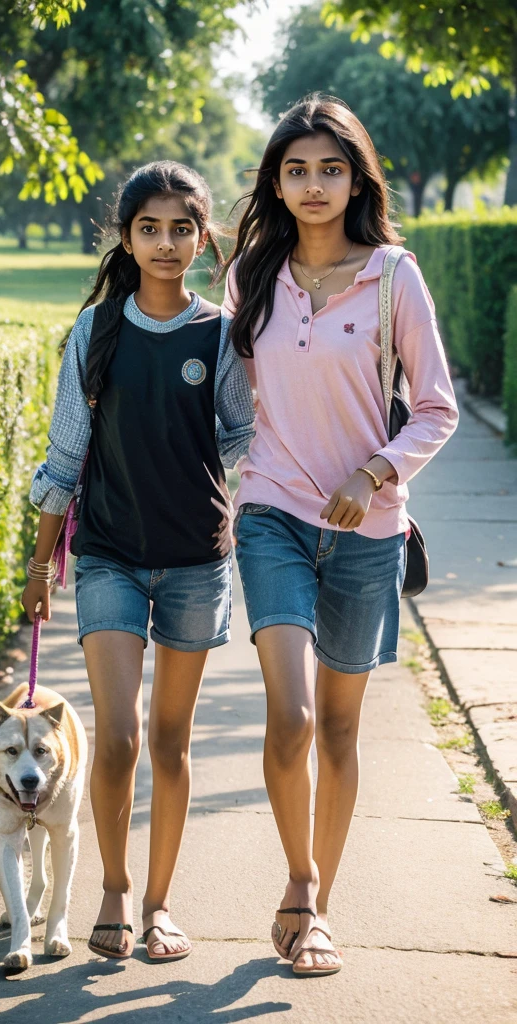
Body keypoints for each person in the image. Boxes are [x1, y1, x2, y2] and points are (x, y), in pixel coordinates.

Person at [222, 93, 458, 976]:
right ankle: (300, 887)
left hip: (368, 529)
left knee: (339, 732)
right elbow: (228, 403)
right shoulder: (251, 278)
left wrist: (375, 473)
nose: (314, 184)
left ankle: (320, 905)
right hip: (275, 513)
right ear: (275, 183)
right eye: (296, 169)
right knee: (290, 715)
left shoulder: (394, 274)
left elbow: (436, 407)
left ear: (356, 178)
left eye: (331, 168)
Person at [23, 161, 254, 962]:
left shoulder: (220, 331)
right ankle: (115, 889)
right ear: (127, 236)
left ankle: (159, 906)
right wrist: (37, 564)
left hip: (196, 559)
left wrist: (244, 478)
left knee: (170, 740)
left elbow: (240, 433)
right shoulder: (97, 331)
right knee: (116, 737)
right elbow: (65, 454)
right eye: (149, 228)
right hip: (111, 557)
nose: (165, 243)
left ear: (201, 237)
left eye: (181, 228)